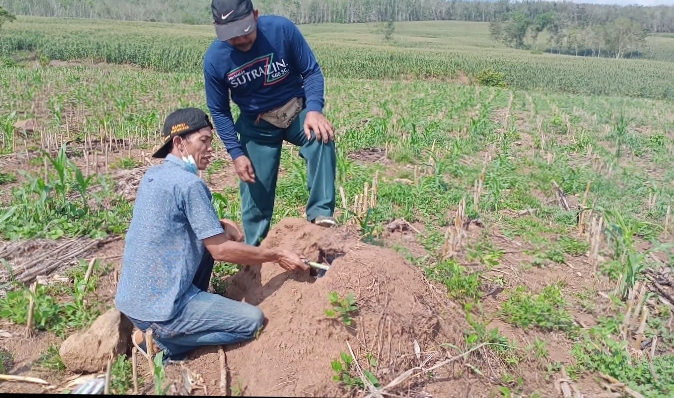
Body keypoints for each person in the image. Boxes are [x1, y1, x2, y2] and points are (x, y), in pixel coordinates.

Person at [114, 107, 310, 363]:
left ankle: (168, 324)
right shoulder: (190, 185)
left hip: (133, 303)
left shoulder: (155, 176)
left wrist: (219, 223)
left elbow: (173, 223)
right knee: (252, 321)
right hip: (162, 313)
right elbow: (221, 250)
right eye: (203, 141)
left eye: (211, 141)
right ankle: (165, 343)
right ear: (179, 143)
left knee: (209, 237)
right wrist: (275, 254)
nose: (210, 148)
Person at [203, 0, 337, 247]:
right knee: (255, 188)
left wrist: (314, 110)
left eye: (243, 32)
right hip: (257, 125)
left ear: (255, 15)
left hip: (296, 110)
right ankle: (254, 254)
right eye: (230, 36)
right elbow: (219, 110)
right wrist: (236, 153)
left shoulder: (281, 30)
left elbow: (311, 71)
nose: (239, 40)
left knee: (321, 137)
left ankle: (321, 216)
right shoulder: (215, 60)